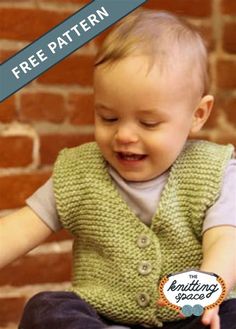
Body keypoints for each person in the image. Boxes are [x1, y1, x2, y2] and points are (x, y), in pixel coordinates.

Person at [0, 9, 235, 329]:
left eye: (148, 122)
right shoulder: (79, 174)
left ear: (197, 114)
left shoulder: (215, 171)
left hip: (189, 315)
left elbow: (225, 239)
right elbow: (19, 229)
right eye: (108, 118)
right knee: (46, 307)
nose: (124, 135)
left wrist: (209, 286)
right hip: (102, 317)